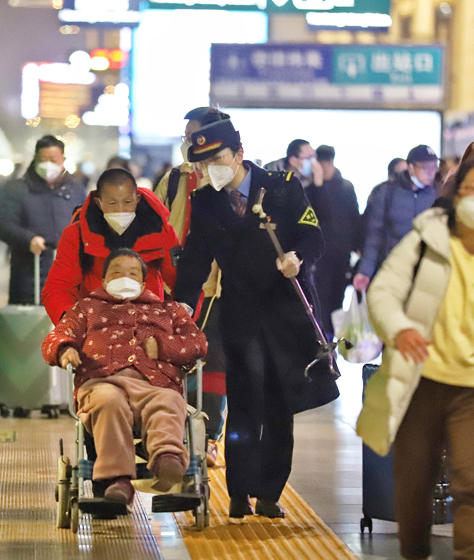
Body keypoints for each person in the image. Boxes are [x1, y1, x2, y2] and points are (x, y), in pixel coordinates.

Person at [357, 159, 474, 560]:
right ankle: (415, 553)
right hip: (421, 382)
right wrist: (400, 329)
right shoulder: (425, 239)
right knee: (414, 483)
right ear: (456, 196)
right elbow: (383, 291)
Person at [173, 118, 339, 519]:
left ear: (239, 154)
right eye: (202, 162)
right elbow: (197, 257)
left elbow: (312, 236)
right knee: (244, 401)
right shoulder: (206, 200)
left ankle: (269, 492)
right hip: (241, 311)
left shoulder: (282, 186)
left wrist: (297, 259)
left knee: (281, 402)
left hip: (285, 312)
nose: (209, 167)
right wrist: (181, 304)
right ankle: (238, 491)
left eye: (217, 158)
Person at [42, 248, 208, 505]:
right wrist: (65, 348)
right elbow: (57, 335)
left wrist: (162, 346)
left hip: (155, 383)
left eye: (132, 273)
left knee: (168, 402)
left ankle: (168, 461)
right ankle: (117, 481)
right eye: (117, 272)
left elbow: (198, 344)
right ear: (104, 281)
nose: (125, 277)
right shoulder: (86, 308)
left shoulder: (169, 310)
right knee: (109, 401)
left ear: (143, 283)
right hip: (102, 382)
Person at [155, 106, 229, 467]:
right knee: (176, 360)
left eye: (192, 137)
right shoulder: (175, 180)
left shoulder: (231, 177)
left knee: (215, 361)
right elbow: (155, 224)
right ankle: (176, 434)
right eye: (185, 138)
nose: (187, 144)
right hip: (177, 287)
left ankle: (210, 438)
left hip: (222, 289)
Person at [41, 168, 181, 325]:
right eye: (112, 203)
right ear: (99, 203)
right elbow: (58, 288)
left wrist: (181, 318)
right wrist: (73, 324)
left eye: (127, 202)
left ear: (137, 199)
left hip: (148, 326)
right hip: (95, 327)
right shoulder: (77, 235)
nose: (121, 210)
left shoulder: (160, 231)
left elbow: (181, 280)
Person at [0, 135, 86, 304]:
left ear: (63, 160)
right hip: (30, 275)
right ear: (35, 160)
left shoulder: (76, 189)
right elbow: (4, 225)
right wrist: (28, 239)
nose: (48, 165)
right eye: (43, 160)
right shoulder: (17, 189)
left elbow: (87, 223)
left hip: (69, 276)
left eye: (53, 159)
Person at [353, 145, 439, 293]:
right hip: (392, 268)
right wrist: (365, 271)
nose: (431, 173)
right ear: (410, 167)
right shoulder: (388, 192)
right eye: (425, 168)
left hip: (425, 270)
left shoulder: (437, 194)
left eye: (434, 167)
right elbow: (374, 235)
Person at [309, 145, 361, 337]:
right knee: (319, 301)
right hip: (319, 256)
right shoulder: (312, 188)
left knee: (337, 299)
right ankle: (322, 340)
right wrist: (318, 185)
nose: (325, 167)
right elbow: (319, 214)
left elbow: (354, 218)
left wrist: (357, 246)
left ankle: (333, 341)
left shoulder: (346, 187)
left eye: (327, 163)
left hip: (340, 254)